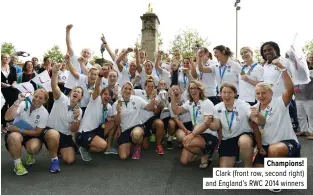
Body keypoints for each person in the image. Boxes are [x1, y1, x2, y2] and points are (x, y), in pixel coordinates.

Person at [253, 59, 301, 194]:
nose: (261, 96)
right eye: (258, 93)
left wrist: (283, 69)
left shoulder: (280, 102)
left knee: (274, 150)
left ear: (271, 93)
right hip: (266, 146)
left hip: (286, 143)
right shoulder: (254, 109)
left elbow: (290, 89)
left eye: (264, 92)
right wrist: (260, 146)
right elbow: (256, 129)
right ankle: (286, 169)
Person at [42, 63, 83, 172]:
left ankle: (58, 149)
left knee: (69, 160)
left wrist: (76, 118)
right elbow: (54, 86)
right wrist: (54, 72)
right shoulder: (61, 98)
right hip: (52, 130)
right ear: (71, 93)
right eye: (75, 91)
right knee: (53, 135)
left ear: (80, 97)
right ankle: (54, 160)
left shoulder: (79, 110)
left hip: (66, 135)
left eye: (79, 92)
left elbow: (74, 130)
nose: (76, 93)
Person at [213, 83, 264, 167]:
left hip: (244, 135)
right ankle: (235, 157)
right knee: (224, 173)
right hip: (228, 138)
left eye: (230, 92)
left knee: (244, 142)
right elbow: (216, 127)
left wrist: (257, 116)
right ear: (220, 94)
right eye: (224, 92)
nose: (226, 95)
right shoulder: (217, 107)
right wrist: (209, 124)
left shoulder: (243, 105)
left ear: (235, 94)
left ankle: (248, 167)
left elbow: (259, 121)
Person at [170, 80, 219, 168]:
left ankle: (206, 155)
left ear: (200, 90)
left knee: (186, 142)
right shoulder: (190, 103)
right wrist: (172, 98)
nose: (192, 90)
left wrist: (192, 134)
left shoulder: (206, 102)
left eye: (194, 88)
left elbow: (206, 124)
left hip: (209, 134)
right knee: (184, 161)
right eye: (190, 88)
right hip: (198, 134)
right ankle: (203, 153)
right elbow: (176, 110)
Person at [4, 89, 49, 175]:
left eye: (41, 98)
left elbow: (37, 132)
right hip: (16, 133)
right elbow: (7, 118)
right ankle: (18, 164)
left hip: (31, 134)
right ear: (32, 95)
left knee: (33, 147)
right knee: (14, 137)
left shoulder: (44, 113)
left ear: (45, 101)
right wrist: (18, 101)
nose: (37, 99)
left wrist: (19, 130)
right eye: (36, 96)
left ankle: (30, 153)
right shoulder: (23, 103)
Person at [76, 69, 117, 161]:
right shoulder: (95, 99)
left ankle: (109, 147)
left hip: (97, 130)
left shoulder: (109, 107)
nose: (107, 96)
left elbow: (112, 120)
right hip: (85, 131)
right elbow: (97, 86)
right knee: (103, 145)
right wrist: (100, 76)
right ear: (101, 95)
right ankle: (83, 147)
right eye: (105, 94)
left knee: (113, 122)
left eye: (109, 95)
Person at [260, 41, 299, 133]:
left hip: (284, 101)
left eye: (270, 50)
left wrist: (280, 66)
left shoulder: (285, 61)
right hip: (270, 101)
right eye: (264, 51)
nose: (267, 52)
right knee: (275, 128)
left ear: (276, 50)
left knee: (288, 129)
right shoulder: (265, 65)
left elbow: (294, 78)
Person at [113, 82, 157, 160]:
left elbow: (150, 108)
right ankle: (131, 142)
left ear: (132, 91)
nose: (127, 91)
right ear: (122, 90)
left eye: (130, 89)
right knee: (123, 157)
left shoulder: (137, 99)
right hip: (124, 130)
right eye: (125, 88)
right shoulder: (117, 103)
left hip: (137, 127)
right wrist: (118, 112)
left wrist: (153, 99)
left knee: (136, 134)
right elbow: (116, 122)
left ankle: (137, 147)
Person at [133, 79, 165, 155]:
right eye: (148, 86)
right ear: (145, 87)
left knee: (160, 124)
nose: (150, 88)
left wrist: (159, 106)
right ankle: (141, 140)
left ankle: (158, 145)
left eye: (152, 86)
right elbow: (129, 90)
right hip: (140, 122)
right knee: (145, 146)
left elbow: (155, 112)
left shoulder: (157, 96)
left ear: (154, 87)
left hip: (151, 121)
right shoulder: (139, 92)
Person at [64, 24, 93, 95]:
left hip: (82, 91)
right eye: (84, 52)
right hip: (70, 87)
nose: (85, 54)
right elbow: (69, 46)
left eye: (88, 53)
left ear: (90, 56)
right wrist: (68, 31)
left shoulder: (90, 67)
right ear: (81, 53)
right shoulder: (75, 58)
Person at [295, 52, 313, 140]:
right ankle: (304, 130)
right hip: (298, 98)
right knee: (300, 115)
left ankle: (312, 132)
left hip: (309, 98)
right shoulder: (295, 74)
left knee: (311, 116)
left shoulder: (310, 72)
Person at [1, 53, 19, 131]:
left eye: (8, 57)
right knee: (4, 107)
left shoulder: (13, 68)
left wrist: (14, 83)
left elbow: (15, 79)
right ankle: (4, 124)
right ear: (1, 58)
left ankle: (13, 124)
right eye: (5, 57)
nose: (7, 59)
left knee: (13, 106)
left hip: (12, 90)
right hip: (2, 90)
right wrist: (1, 83)